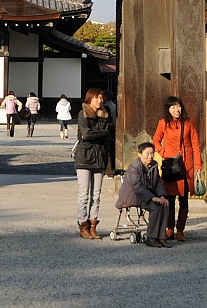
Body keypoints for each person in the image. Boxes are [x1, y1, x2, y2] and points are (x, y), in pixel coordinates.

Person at [153, 95, 203, 242]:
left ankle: (180, 230)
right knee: (170, 198)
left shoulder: (188, 123)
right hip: (171, 165)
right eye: (173, 107)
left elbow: (196, 146)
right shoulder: (163, 123)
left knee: (184, 199)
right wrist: (164, 153)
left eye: (178, 106)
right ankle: (169, 229)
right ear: (168, 109)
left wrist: (198, 165)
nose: (177, 109)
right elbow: (156, 140)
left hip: (186, 166)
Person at [115, 142, 171, 248]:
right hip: (134, 196)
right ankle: (151, 237)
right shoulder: (134, 167)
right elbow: (137, 186)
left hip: (148, 195)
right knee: (155, 206)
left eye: (152, 153)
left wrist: (162, 196)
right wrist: (153, 197)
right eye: (147, 153)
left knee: (165, 204)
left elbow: (159, 182)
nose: (150, 156)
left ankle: (161, 237)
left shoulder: (154, 165)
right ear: (139, 154)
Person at [73, 87, 111, 239]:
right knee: (84, 195)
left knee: (97, 195)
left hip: (100, 157)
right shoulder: (83, 113)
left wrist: (99, 135)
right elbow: (86, 134)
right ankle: (83, 225)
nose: (100, 101)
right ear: (89, 99)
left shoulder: (105, 115)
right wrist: (102, 134)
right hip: (84, 157)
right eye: (97, 98)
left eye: (101, 98)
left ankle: (93, 225)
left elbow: (106, 135)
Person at [103, 90, 117, 174]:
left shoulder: (107, 107)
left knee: (108, 151)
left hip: (109, 128)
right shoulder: (114, 105)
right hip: (113, 128)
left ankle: (109, 170)